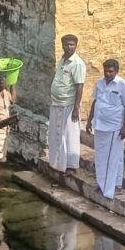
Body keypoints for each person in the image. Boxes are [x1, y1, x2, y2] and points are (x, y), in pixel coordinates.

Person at [86, 59, 125, 199]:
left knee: (112, 157)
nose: (108, 74)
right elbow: (95, 101)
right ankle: (105, 183)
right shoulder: (100, 83)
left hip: (114, 126)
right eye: (106, 71)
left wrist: (124, 127)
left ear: (116, 71)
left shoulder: (122, 85)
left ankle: (110, 187)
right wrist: (89, 120)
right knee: (101, 156)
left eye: (111, 71)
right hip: (100, 125)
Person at [48, 34, 86, 177]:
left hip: (69, 106)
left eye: (72, 45)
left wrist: (76, 108)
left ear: (76, 46)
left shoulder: (77, 63)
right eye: (67, 44)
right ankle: (58, 163)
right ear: (62, 45)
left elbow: (79, 86)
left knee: (70, 135)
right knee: (56, 135)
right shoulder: (63, 60)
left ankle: (71, 166)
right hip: (57, 103)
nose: (69, 47)